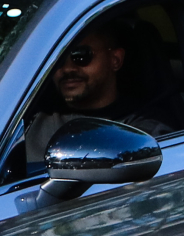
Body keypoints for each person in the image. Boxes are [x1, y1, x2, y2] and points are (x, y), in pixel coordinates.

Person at [24, 11, 171, 163]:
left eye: (80, 55)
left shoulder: (143, 135)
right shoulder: (25, 118)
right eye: (58, 59)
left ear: (115, 60)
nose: (67, 68)